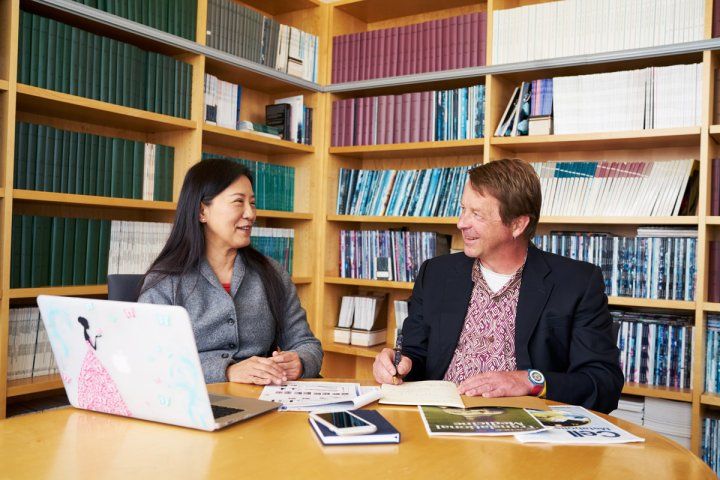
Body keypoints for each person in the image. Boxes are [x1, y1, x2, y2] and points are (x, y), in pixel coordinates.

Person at [372, 159, 623, 413]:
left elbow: (604, 383)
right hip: (438, 423)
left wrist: (529, 380)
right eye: (463, 209)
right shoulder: (436, 273)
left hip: (525, 435)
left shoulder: (576, 282)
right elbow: (416, 353)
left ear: (517, 224)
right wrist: (397, 363)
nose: (461, 223)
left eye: (477, 214)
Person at [139, 158, 322, 385]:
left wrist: (301, 361)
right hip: (194, 405)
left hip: (263, 401)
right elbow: (152, 361)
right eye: (238, 202)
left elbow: (306, 343)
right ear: (201, 211)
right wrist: (227, 371)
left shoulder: (272, 273)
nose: (250, 214)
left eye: (252, 203)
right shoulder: (165, 281)